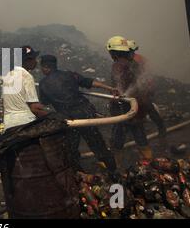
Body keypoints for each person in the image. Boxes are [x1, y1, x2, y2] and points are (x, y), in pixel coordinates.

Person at [38, 55, 117, 174]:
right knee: (97, 143)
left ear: (46, 67)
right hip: (85, 112)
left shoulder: (43, 84)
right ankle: (113, 170)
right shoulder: (69, 74)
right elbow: (89, 82)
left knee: (71, 148)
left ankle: (80, 176)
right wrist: (109, 88)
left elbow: (45, 102)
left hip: (68, 119)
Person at [106, 36, 153, 168]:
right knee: (138, 131)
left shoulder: (117, 65)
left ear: (113, 52)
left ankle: (117, 166)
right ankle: (148, 162)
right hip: (137, 105)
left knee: (119, 134)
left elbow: (120, 86)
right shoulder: (133, 63)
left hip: (123, 107)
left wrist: (117, 95)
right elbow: (139, 83)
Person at [128, 40, 167, 138]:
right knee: (144, 108)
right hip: (143, 87)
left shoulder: (135, 60)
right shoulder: (137, 58)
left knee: (147, 107)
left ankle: (160, 129)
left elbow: (141, 76)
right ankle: (158, 128)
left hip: (144, 87)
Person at [2, 46, 48, 131]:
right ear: (27, 61)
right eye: (34, 59)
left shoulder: (8, 76)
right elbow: (34, 108)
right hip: (25, 123)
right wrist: (50, 116)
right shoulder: (27, 76)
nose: (36, 61)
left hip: (8, 124)